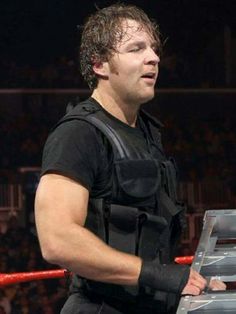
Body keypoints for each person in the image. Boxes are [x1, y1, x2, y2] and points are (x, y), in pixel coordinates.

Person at [35, 3, 225, 313]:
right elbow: (57, 239)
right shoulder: (78, 134)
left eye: (153, 48)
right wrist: (162, 276)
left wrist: (189, 282)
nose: (153, 57)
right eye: (136, 49)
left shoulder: (147, 131)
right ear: (100, 65)